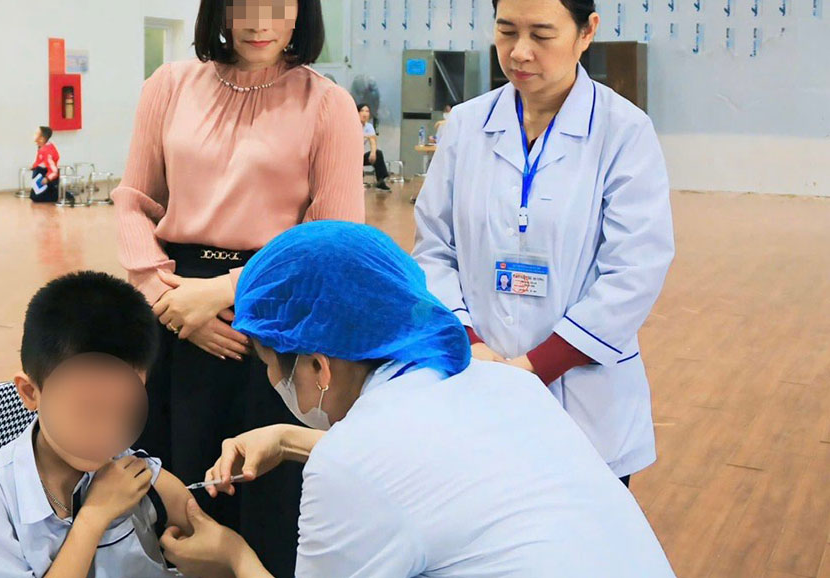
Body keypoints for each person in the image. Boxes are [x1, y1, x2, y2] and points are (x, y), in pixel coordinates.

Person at [157, 221, 676, 578]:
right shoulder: (508, 387)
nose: (273, 382)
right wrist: (290, 440)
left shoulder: (350, 467)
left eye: (272, 366)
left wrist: (231, 556)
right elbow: (432, 470)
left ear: (318, 366)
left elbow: (374, 467)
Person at [111, 0, 364, 576]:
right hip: (172, 311)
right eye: (243, 2)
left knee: (265, 511)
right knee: (169, 503)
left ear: (302, 7)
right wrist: (167, 301)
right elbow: (133, 202)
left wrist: (226, 296)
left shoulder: (327, 105)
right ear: (219, 2)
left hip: (274, 323)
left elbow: (333, 245)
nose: (260, 22)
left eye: (278, 5)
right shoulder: (168, 86)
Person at [412, 0, 675, 485]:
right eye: (506, 31)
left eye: (542, 34)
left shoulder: (623, 132)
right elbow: (434, 249)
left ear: (586, 31)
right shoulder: (465, 126)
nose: (520, 52)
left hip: (581, 401)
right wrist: (471, 345)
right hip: (477, 379)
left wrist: (537, 367)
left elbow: (634, 271)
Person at [0, 271, 193, 577]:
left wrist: (228, 556)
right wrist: (93, 518)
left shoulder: (130, 468)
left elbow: (197, 526)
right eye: (86, 411)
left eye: (122, 410)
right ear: (30, 392)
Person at [359, 104, 391, 191]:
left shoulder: (368, 127)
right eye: (362, 111)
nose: (365, 114)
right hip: (348, 156)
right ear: (357, 113)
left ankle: (380, 181)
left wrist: (373, 153)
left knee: (378, 153)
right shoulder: (352, 125)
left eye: (367, 111)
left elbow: (373, 141)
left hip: (360, 156)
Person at [31, 125, 60, 203]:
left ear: (42, 138)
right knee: (35, 197)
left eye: (36, 133)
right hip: (41, 173)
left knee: (37, 197)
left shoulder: (46, 151)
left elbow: (53, 170)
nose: (34, 135)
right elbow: (39, 160)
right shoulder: (42, 147)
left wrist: (47, 178)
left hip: (45, 175)